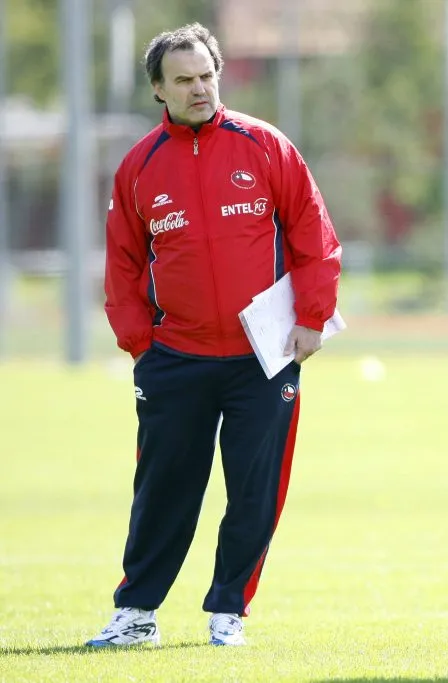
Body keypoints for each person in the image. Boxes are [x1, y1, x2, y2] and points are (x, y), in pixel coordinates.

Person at [87, 23, 342, 648]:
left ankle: (229, 612)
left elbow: (314, 237)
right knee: (164, 490)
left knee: (255, 491)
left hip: (265, 357)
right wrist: (139, 343)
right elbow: (121, 263)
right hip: (175, 358)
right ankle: (136, 614)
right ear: (158, 89)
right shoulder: (140, 165)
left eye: (206, 75)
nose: (200, 88)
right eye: (184, 79)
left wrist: (311, 317)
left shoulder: (265, 146)